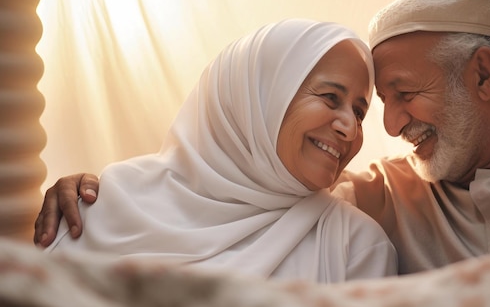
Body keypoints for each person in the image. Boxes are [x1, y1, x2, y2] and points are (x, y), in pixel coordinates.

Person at [35, 0, 490, 275]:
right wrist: (101, 193)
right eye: (375, 105)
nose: (388, 126)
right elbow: (247, 190)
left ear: (483, 76)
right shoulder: (388, 194)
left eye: (401, 95)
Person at [39, 18, 398, 282]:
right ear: (256, 101)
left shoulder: (355, 246)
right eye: (330, 97)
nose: (350, 127)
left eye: (359, 112)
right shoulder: (106, 201)